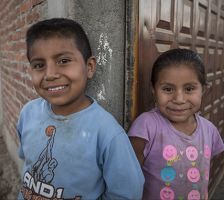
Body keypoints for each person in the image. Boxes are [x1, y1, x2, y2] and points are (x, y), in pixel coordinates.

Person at [17, 18, 144, 200]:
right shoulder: (28, 113)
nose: (50, 74)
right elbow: (28, 162)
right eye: (39, 65)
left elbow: (127, 193)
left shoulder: (107, 132)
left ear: (89, 67)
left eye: (64, 60)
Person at [127, 49, 224, 200]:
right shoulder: (146, 126)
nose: (179, 99)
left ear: (203, 89)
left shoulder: (209, 129)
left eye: (189, 89)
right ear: (153, 89)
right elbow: (127, 177)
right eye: (168, 89)